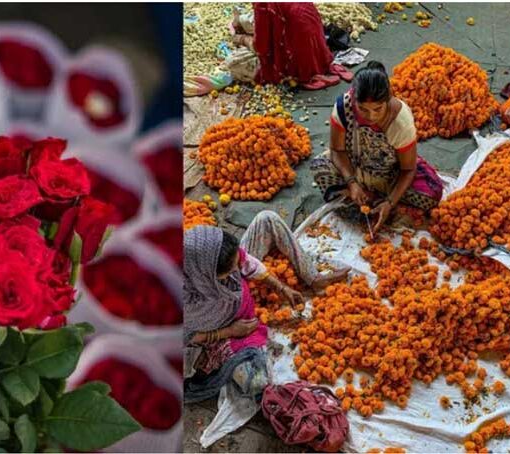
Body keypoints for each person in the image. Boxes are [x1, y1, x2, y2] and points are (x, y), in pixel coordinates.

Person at [184, 211, 349, 403]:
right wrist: (230, 330)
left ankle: (312, 277)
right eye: (230, 270)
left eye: (236, 263)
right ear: (206, 276)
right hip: (217, 334)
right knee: (257, 382)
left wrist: (282, 287)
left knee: (267, 218)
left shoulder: (208, 249)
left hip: (236, 297)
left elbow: (245, 262)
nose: (237, 271)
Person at [310, 61, 443, 233]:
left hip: (390, 175)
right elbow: (337, 150)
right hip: (356, 166)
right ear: (353, 97)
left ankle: (378, 201)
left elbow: (408, 169)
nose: (371, 116)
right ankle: (363, 195)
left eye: (378, 109)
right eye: (363, 109)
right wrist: (352, 182)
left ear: (388, 99)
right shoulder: (343, 107)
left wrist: (390, 202)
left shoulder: (400, 122)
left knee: (431, 193)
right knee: (319, 167)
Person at [228, 3, 350, 89]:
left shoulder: (262, 4)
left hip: (300, 63)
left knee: (233, 63)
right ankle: (240, 21)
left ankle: (240, 24)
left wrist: (242, 39)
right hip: (320, 50)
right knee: (251, 20)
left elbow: (260, 49)